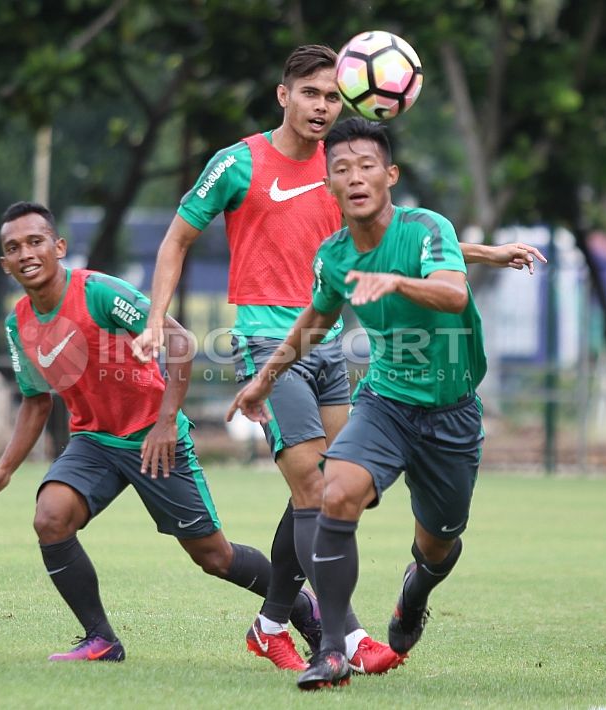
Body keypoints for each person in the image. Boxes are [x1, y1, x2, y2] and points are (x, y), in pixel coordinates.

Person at [135, 45, 543, 673]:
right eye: (311, 95)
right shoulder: (239, 163)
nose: (323, 107)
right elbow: (177, 238)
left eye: (332, 97)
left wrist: (487, 253)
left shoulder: (340, 172)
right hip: (269, 343)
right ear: (284, 96)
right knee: (316, 487)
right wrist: (159, 316)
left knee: (331, 495)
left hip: (325, 348)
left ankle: (272, 621)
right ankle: (343, 638)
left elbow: (400, 236)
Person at [228, 118, 522, 690]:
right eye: (341, 169)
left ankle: (416, 591)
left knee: (439, 544)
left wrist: (394, 282)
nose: (354, 177)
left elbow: (452, 290)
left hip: (452, 413)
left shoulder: (426, 228)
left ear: (390, 175)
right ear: (330, 185)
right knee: (334, 492)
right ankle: (334, 650)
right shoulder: (334, 255)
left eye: (366, 166)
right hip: (385, 402)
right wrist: (264, 380)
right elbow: (316, 319)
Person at [0, 202, 305, 662]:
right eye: (13, 248)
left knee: (214, 557)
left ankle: (306, 614)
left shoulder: (99, 293)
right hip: (94, 442)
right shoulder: (17, 323)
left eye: (35, 241)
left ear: (58, 247)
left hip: (152, 435)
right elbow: (36, 400)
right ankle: (101, 639)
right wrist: (4, 470)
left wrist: (166, 421)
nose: (26, 253)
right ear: (5, 265)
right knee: (50, 518)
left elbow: (179, 341)